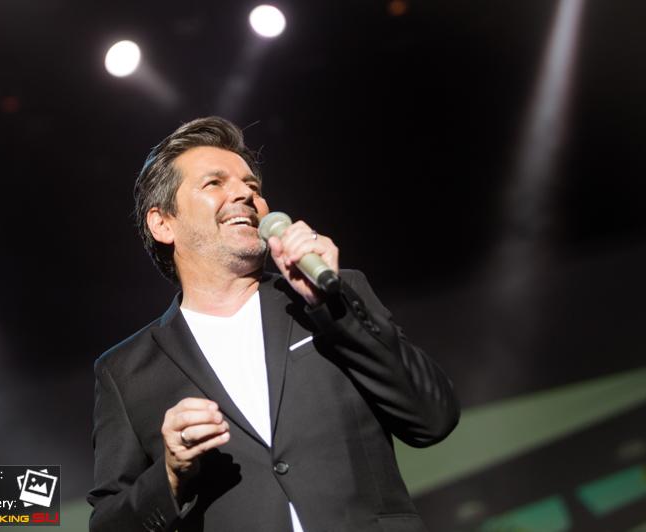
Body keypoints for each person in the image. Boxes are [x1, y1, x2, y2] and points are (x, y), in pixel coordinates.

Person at [88, 116, 460, 532]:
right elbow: (108, 525)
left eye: (253, 187)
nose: (245, 195)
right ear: (162, 223)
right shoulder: (125, 371)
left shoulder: (332, 297)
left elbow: (433, 419)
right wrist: (171, 475)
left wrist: (332, 307)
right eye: (215, 183)